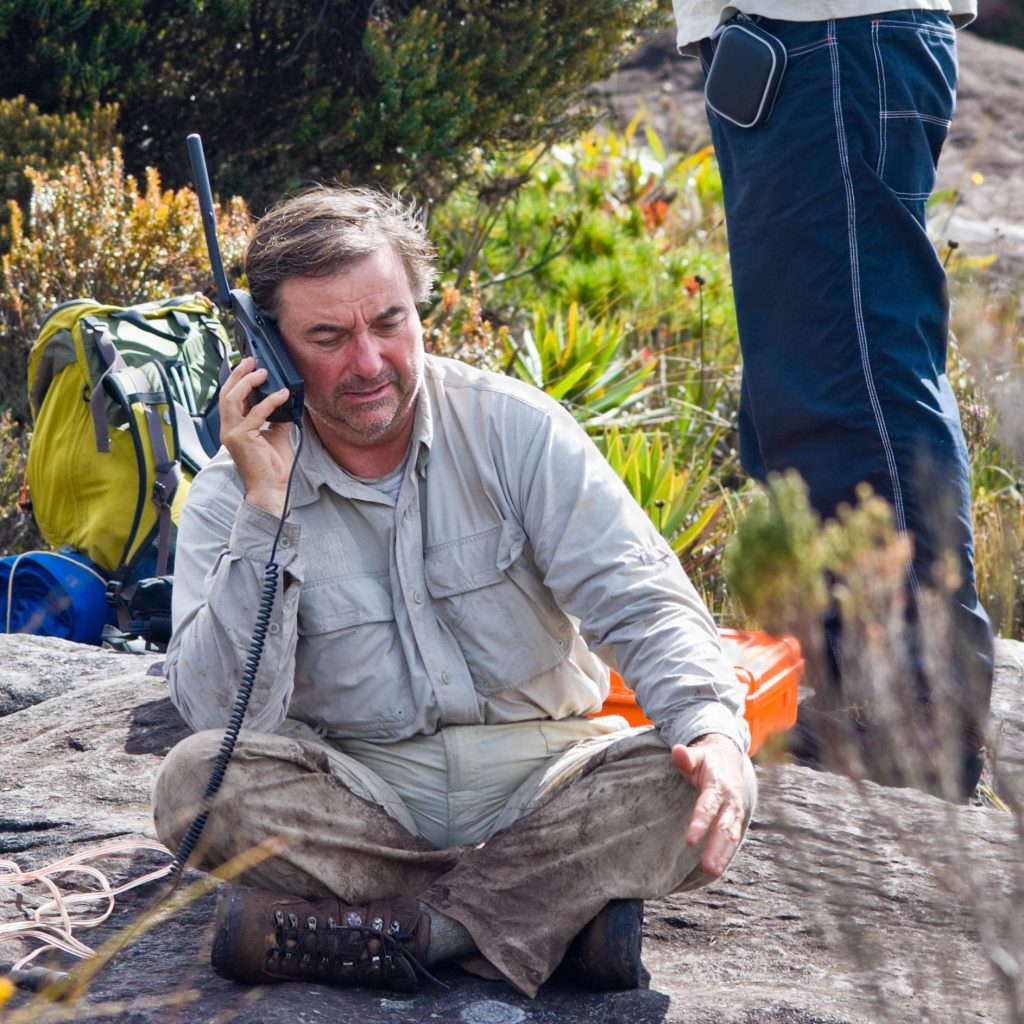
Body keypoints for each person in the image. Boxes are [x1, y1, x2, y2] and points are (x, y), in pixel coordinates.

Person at [152, 186, 757, 998]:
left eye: (390, 323)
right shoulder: (236, 493)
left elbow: (642, 602)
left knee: (701, 769)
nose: (369, 363)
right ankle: (548, 921)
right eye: (328, 337)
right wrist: (269, 513)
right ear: (270, 349)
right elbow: (225, 723)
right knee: (197, 786)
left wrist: (715, 734)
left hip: (545, 775)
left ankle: (423, 934)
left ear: (418, 307)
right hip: (355, 786)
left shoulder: (515, 427)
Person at [672, 1, 994, 798]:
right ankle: (870, 691)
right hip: (803, 48)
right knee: (814, 377)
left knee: (861, 374)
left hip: (832, 40)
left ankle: (922, 712)